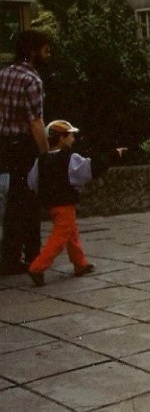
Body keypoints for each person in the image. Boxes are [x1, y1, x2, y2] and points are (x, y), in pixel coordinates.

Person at [26, 120, 122, 287]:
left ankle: (80, 263)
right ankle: (37, 267)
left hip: (51, 204)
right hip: (65, 202)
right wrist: (114, 155)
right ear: (62, 138)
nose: (73, 139)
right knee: (61, 236)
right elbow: (89, 169)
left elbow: (32, 181)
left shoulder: (41, 160)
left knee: (70, 231)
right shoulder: (70, 158)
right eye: (70, 135)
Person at [0, 29, 51, 276]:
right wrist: (46, 154)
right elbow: (35, 122)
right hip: (25, 146)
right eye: (45, 50)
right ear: (32, 51)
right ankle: (30, 256)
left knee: (15, 201)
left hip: (6, 143)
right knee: (29, 201)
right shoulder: (32, 81)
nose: (47, 55)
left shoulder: (4, 74)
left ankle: (15, 256)